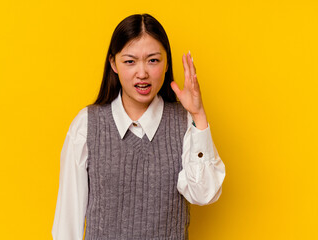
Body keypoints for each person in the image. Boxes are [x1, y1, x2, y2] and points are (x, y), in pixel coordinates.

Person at [52, 13, 226, 240]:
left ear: (166, 64)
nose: (142, 73)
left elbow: (203, 194)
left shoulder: (184, 123)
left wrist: (198, 115)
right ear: (113, 63)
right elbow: (68, 223)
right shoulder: (87, 126)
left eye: (153, 60)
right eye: (130, 61)